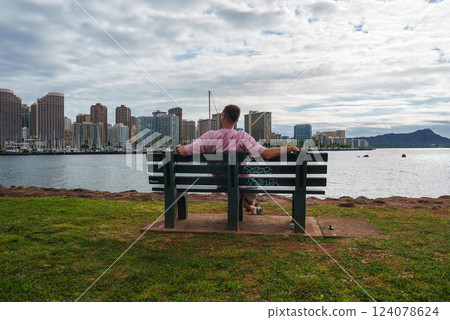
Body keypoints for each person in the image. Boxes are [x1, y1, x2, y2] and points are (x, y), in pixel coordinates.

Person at [176, 105, 299, 215]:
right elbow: (266, 154)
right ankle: (251, 205)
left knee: (236, 187)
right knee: (249, 187)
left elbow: (184, 152)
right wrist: (289, 148)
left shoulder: (209, 136)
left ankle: (251, 207)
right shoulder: (242, 137)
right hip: (242, 183)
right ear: (237, 120)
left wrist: (179, 147)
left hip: (221, 183)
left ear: (222, 117)